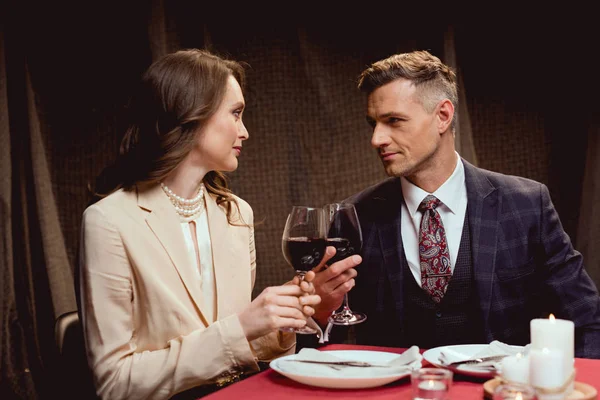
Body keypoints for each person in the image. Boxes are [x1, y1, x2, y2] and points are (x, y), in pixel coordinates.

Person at [310, 50, 600, 358]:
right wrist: (318, 314)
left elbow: (587, 322)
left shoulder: (527, 205)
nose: (377, 139)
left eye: (393, 121)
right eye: (373, 124)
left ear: (443, 116)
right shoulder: (354, 216)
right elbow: (324, 349)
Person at [78, 49, 321, 400]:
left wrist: (280, 326)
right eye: (236, 114)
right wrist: (241, 328)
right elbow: (114, 383)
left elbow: (241, 356)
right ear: (192, 115)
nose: (246, 131)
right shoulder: (108, 222)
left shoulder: (237, 214)